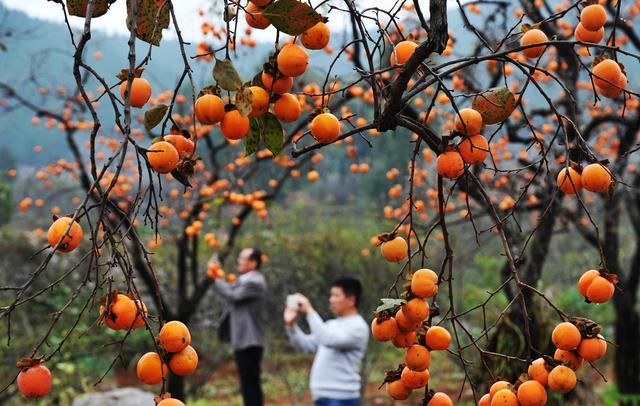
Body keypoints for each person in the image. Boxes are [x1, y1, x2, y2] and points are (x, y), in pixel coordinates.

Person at [284, 277, 370, 406]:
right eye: (331, 295)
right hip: (322, 397)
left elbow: (327, 339)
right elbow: (305, 346)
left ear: (351, 300)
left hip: (342, 398)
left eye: (336, 295)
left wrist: (309, 311)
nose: (331, 300)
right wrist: (291, 326)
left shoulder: (358, 326)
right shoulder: (331, 325)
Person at [213, 248, 267, 406]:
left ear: (253, 263)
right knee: (248, 382)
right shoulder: (245, 280)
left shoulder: (255, 282)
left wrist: (215, 276)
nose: (239, 261)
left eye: (242, 258)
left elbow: (232, 295)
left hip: (250, 341)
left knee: (250, 383)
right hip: (244, 340)